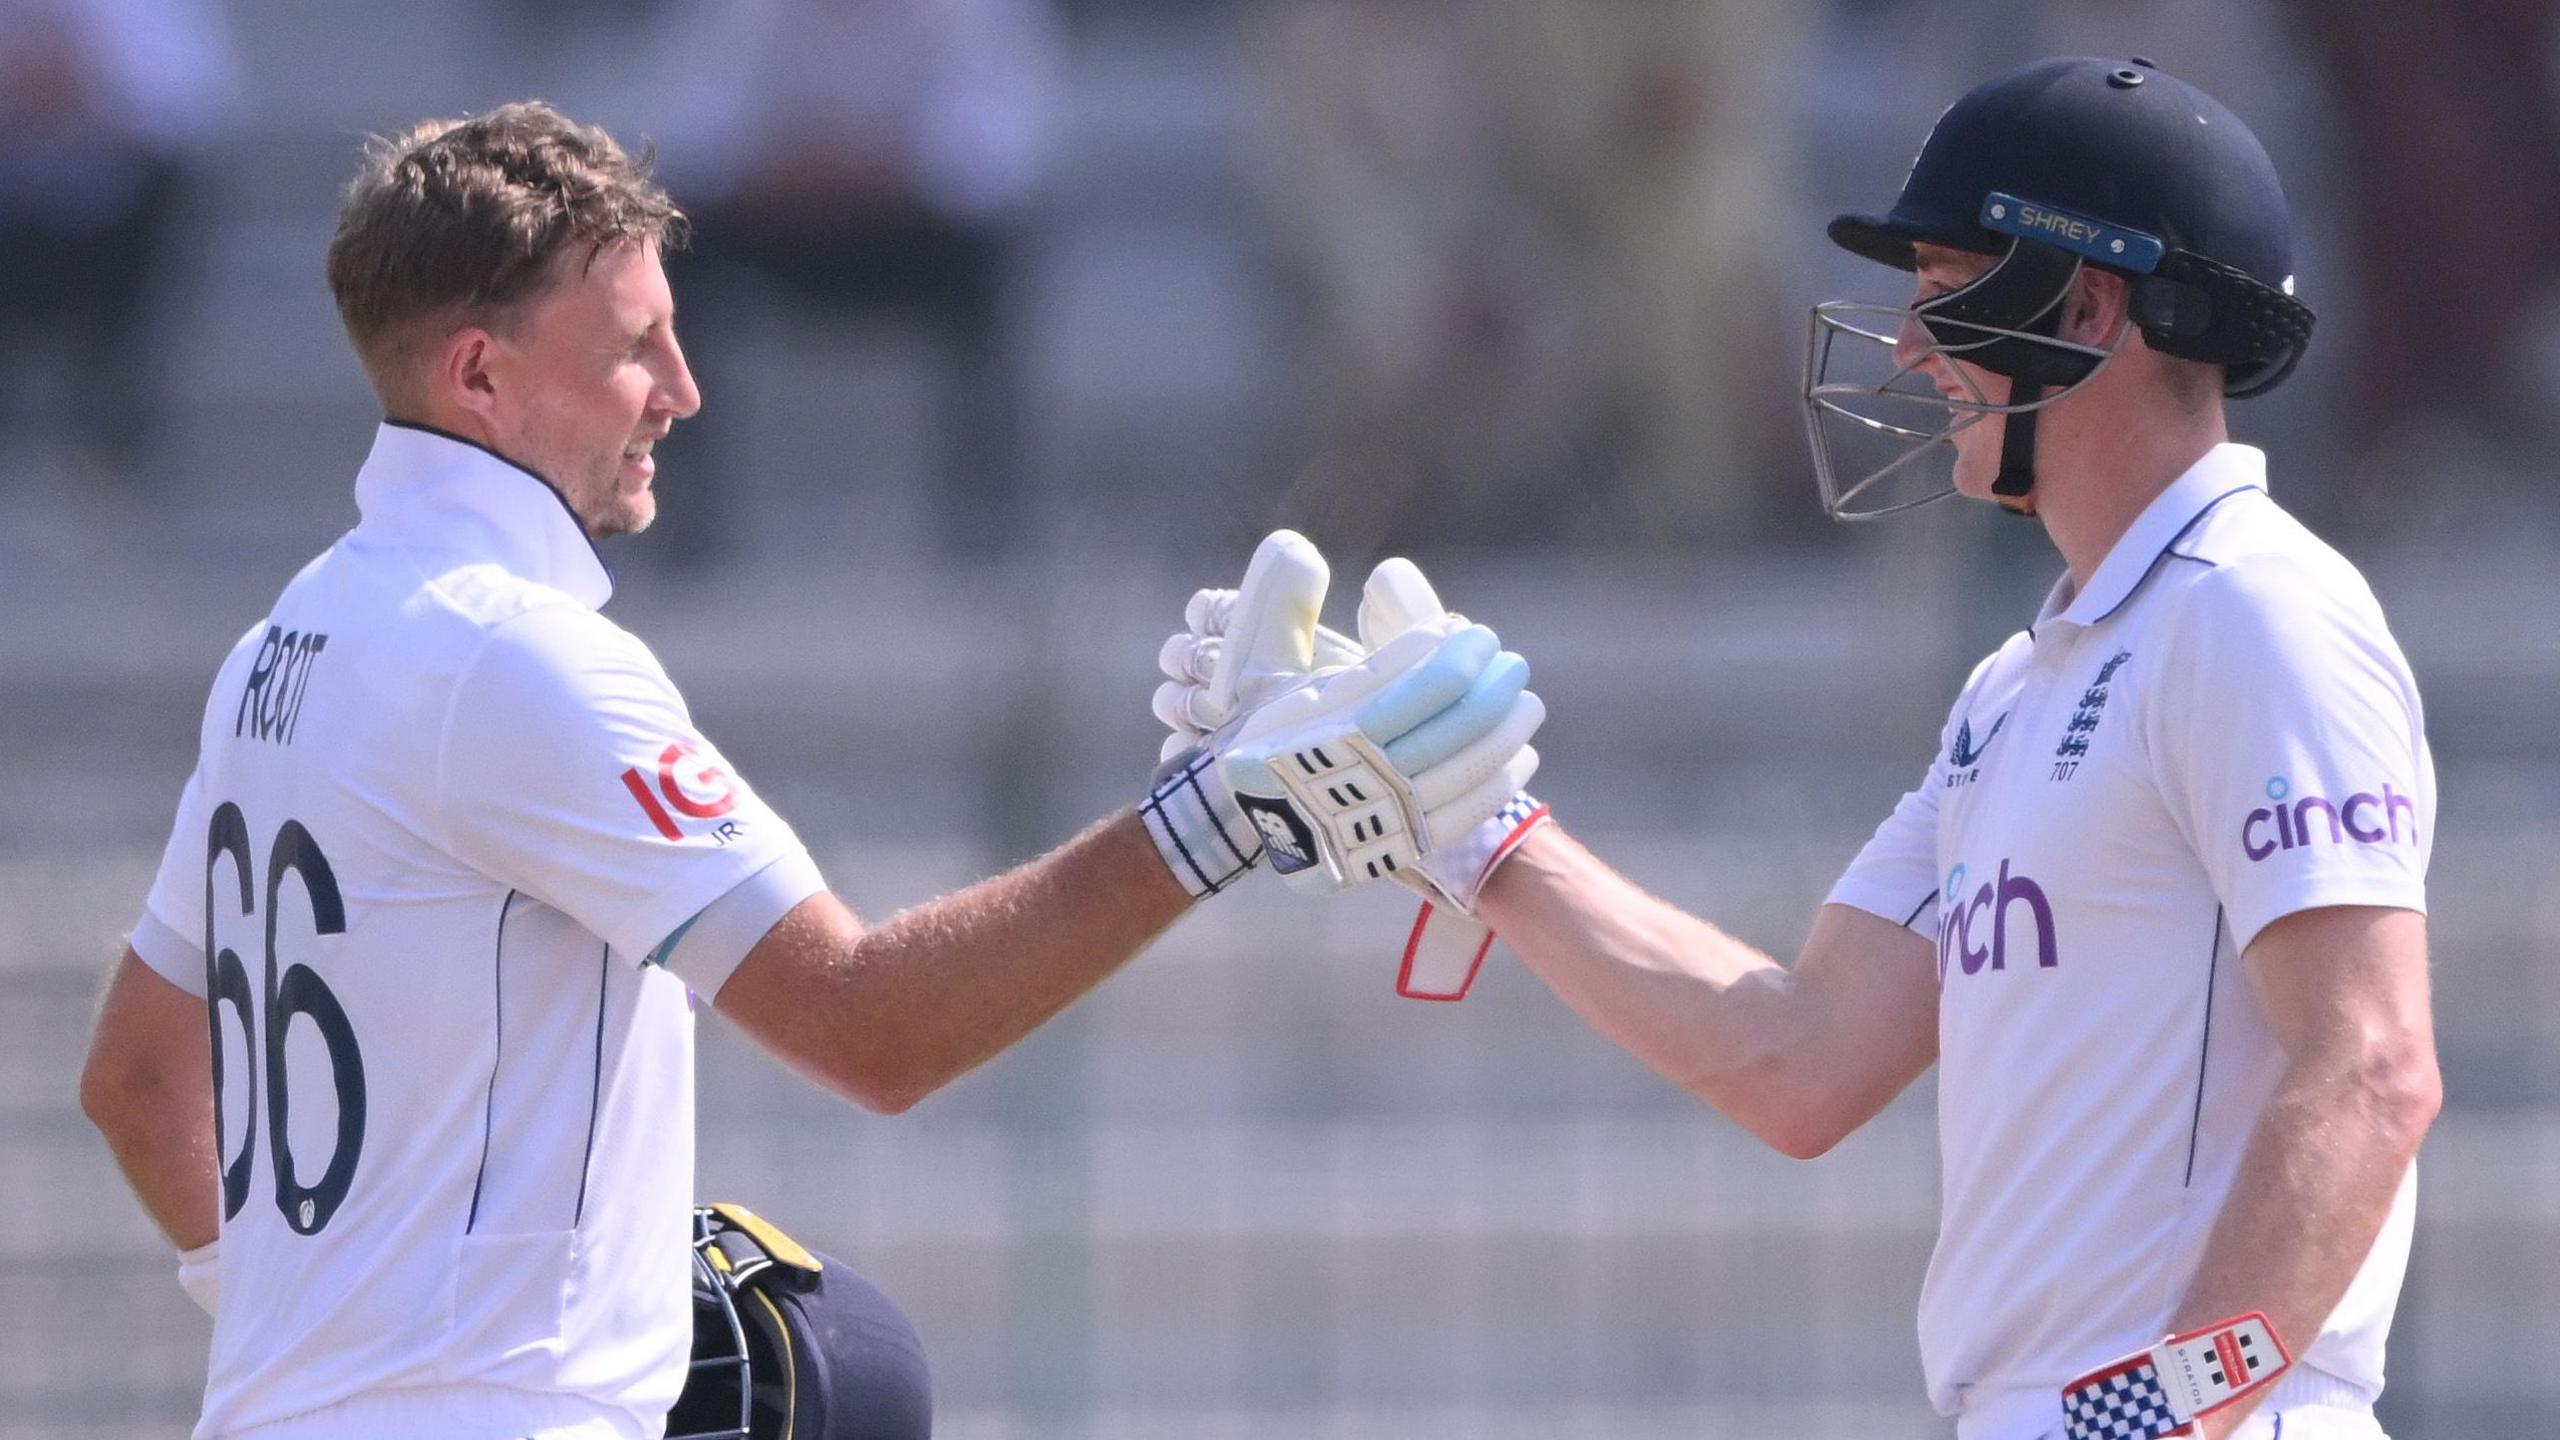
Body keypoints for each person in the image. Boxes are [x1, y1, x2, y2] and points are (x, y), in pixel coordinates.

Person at [75, 102, 1537, 1440]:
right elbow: (873, 1028)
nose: (685, 390)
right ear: (481, 376)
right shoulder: (514, 659)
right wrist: (1221, 814)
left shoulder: (286, 641)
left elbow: (139, 1082)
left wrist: (327, 1326)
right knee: (849, 1362)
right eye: (635, 344)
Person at [1167, 56, 2440, 1440]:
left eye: (1948, 288)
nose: (1907, 345)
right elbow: (1801, 1055)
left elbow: (2371, 1068)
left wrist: (2163, 1408)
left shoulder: (2254, 611)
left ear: (2088, 302)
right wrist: (1470, 831)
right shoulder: (2020, 686)